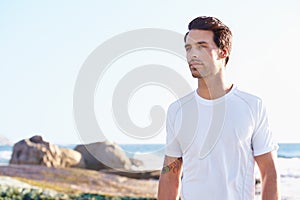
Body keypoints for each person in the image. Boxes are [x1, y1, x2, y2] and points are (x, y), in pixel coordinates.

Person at [157, 16, 280, 200]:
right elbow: (170, 174)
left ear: (223, 52)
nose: (192, 55)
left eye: (201, 46)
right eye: (188, 48)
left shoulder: (252, 106)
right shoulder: (178, 111)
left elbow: (269, 172)